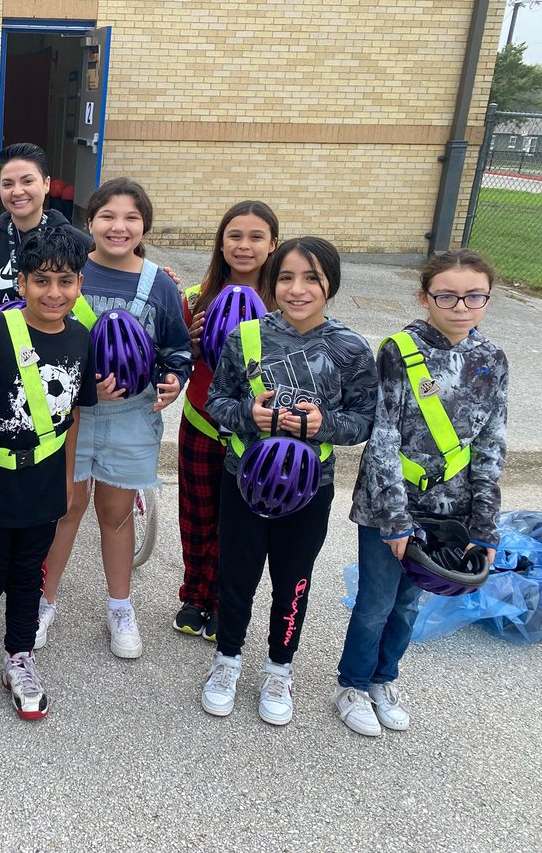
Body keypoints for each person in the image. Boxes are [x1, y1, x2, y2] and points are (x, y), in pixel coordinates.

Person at [201, 237, 377, 726]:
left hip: (310, 489)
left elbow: (364, 420)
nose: (297, 290)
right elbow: (215, 403)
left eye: (311, 279)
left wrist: (327, 426)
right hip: (242, 481)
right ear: (272, 282)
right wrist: (245, 414)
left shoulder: (350, 348)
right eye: (285, 278)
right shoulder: (246, 337)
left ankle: (280, 667)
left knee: (292, 579)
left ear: (331, 285)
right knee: (236, 576)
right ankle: (227, 659)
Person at [336, 249, 507, 736]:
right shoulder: (400, 350)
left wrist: (484, 523)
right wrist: (394, 519)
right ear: (425, 297)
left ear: (486, 299)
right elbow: (384, 437)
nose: (461, 305)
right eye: (447, 295)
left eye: (475, 296)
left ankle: (384, 679)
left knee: (411, 602)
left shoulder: (492, 359)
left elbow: (492, 444)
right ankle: (351, 683)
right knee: (375, 601)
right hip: (390, 504)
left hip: (448, 509)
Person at [0, 227, 97, 727]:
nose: (53, 293)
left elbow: (72, 414)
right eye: (41, 281)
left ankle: (19, 658)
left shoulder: (80, 338)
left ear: (79, 283)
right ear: (22, 283)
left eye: (65, 281)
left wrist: (69, 480)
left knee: (29, 578)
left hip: (44, 487)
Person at [36, 179, 191, 656]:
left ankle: (120, 607)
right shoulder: (71, 273)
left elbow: (178, 348)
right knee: (64, 509)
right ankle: (43, 602)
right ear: (90, 222)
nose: (118, 227)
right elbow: (43, 339)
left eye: (130, 218)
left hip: (131, 415)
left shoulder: (159, 283)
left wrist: (173, 379)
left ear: (143, 225)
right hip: (73, 416)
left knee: (117, 514)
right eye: (107, 216)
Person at [173, 201, 278, 643]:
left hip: (254, 435)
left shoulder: (284, 304)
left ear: (273, 245)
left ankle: (223, 600)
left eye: (256, 237)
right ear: (221, 241)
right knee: (196, 517)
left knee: (237, 524)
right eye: (235, 235)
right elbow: (178, 361)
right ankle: (195, 595)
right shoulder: (198, 298)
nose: (244, 245)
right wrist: (193, 346)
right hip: (201, 423)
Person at [0, 143, 92, 308]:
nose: (17, 191)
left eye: (27, 181)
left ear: (47, 184)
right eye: (8, 184)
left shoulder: (78, 242)